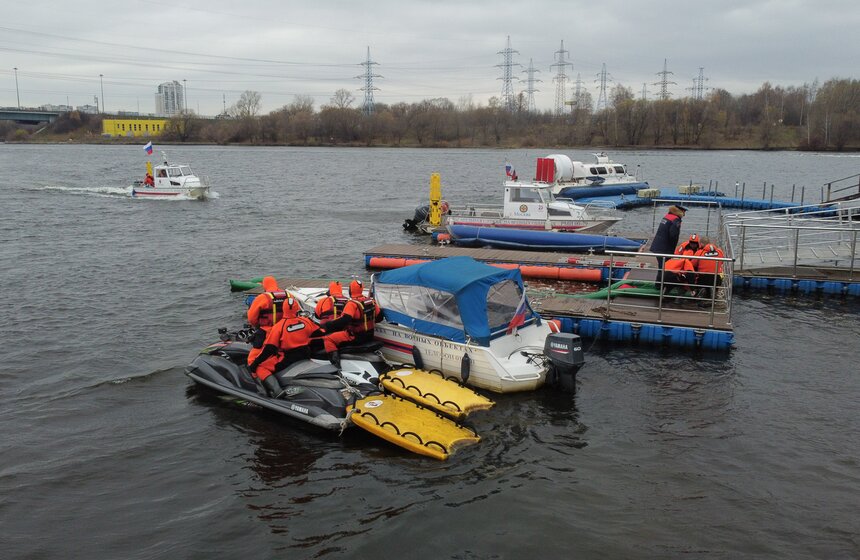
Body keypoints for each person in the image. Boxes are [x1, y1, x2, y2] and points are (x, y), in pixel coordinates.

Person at [249, 296, 346, 398]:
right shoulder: (305, 321)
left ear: (283, 309)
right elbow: (320, 332)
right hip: (305, 354)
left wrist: (255, 363)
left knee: (261, 367)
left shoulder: (278, 327)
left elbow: (269, 348)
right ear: (296, 308)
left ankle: (276, 391)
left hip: (288, 358)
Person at [323, 279, 384, 347]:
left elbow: (344, 320)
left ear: (350, 290)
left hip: (355, 337)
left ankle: (333, 357)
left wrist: (328, 324)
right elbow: (379, 318)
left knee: (328, 338)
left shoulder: (352, 304)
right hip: (370, 335)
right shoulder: (371, 301)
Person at [246, 276, 287, 368]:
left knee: (253, 358)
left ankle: (255, 375)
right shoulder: (288, 295)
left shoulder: (262, 298)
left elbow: (251, 318)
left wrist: (257, 326)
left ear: (264, 286)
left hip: (267, 332)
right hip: (285, 330)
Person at [649, 205, 687, 286]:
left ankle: (659, 284)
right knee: (665, 267)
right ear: (680, 211)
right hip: (664, 248)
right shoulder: (676, 220)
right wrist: (672, 249)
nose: (684, 215)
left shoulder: (667, 216)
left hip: (658, 245)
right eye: (684, 212)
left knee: (661, 267)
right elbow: (673, 235)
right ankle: (661, 285)